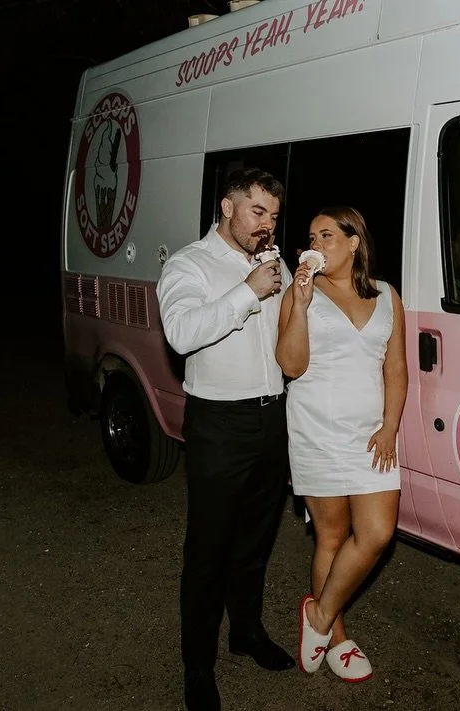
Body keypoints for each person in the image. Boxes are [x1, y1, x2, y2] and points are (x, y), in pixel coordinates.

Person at [156, 167, 295, 711]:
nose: (267, 225)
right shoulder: (189, 264)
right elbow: (181, 333)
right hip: (219, 423)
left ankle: (247, 632)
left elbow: (289, 328)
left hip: (272, 417)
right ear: (228, 207)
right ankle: (198, 668)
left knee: (255, 540)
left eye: (274, 216)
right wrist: (247, 291)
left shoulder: (273, 260)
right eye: (258, 212)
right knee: (208, 550)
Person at [276, 206, 407, 682]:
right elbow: (290, 365)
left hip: (371, 435)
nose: (316, 243)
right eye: (312, 236)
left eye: (327, 235)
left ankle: (318, 613)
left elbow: (396, 369)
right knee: (331, 536)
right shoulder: (301, 292)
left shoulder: (387, 295)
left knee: (376, 533)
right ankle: (337, 637)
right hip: (317, 432)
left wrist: (390, 427)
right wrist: (300, 302)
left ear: (354, 243)